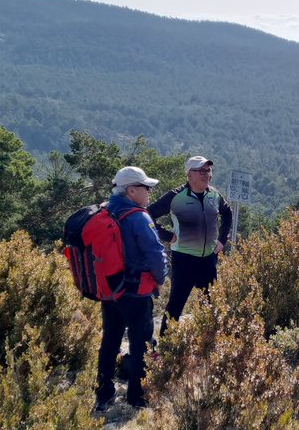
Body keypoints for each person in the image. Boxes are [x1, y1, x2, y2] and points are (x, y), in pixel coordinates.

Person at [95, 166, 169, 410]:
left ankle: (104, 393)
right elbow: (155, 253)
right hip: (137, 292)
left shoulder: (104, 211)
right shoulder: (138, 216)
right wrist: (161, 278)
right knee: (142, 344)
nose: (149, 192)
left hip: (110, 288)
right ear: (131, 190)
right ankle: (137, 397)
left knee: (110, 340)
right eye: (146, 187)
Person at [147, 155, 232, 336]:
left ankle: (208, 345)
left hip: (208, 260)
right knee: (175, 306)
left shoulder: (214, 195)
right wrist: (167, 235)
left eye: (208, 170)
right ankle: (166, 348)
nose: (206, 174)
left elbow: (228, 213)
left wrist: (222, 240)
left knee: (209, 306)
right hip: (184, 260)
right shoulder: (175, 196)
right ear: (189, 174)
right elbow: (148, 214)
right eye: (201, 171)